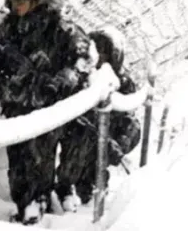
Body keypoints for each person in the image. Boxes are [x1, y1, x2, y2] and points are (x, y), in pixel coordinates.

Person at [0, 0, 95, 225]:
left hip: (47, 110)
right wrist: (4, 56)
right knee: (18, 165)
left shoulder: (59, 27)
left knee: (39, 161)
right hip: (15, 107)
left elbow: (84, 59)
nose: (16, 3)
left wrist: (64, 77)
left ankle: (37, 208)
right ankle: (25, 207)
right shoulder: (7, 27)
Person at [55, 27, 141, 209]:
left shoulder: (124, 83)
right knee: (80, 141)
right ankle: (68, 186)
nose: (101, 56)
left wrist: (118, 143)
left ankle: (92, 180)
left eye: (105, 51)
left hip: (107, 138)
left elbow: (129, 120)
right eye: (98, 50)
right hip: (79, 136)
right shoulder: (81, 77)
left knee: (130, 129)